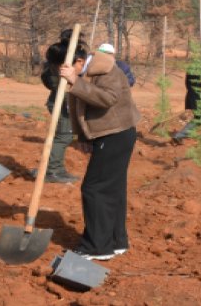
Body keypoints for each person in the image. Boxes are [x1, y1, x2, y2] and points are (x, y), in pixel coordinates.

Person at [61, 51, 140, 261]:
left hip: (116, 134)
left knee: (95, 189)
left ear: (79, 61)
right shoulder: (86, 73)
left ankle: (97, 247)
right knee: (112, 188)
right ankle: (116, 241)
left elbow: (106, 98)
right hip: (108, 133)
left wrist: (75, 81)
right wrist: (83, 137)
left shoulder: (107, 70)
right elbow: (79, 105)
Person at [37, 34, 88, 183]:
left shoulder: (59, 62)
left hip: (62, 102)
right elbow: (55, 84)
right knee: (63, 136)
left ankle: (54, 169)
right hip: (60, 103)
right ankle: (53, 171)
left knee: (63, 135)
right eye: (81, 62)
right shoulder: (58, 66)